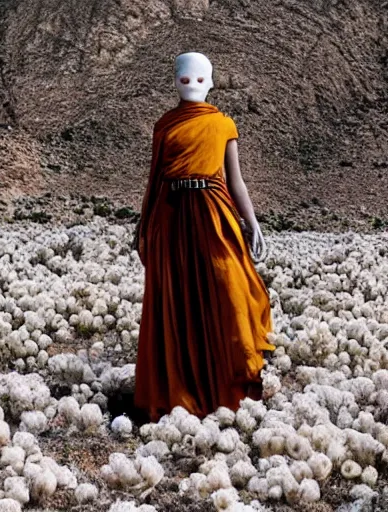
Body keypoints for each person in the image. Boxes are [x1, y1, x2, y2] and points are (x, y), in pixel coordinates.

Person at [133, 52, 275, 422]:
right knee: (177, 300)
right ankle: (180, 395)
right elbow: (154, 181)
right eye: (184, 78)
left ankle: (228, 387)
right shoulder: (164, 125)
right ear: (174, 81)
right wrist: (143, 225)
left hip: (213, 213)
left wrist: (252, 222)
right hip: (173, 219)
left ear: (211, 82)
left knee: (229, 286)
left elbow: (235, 179)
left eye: (199, 78)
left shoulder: (223, 124)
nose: (192, 83)